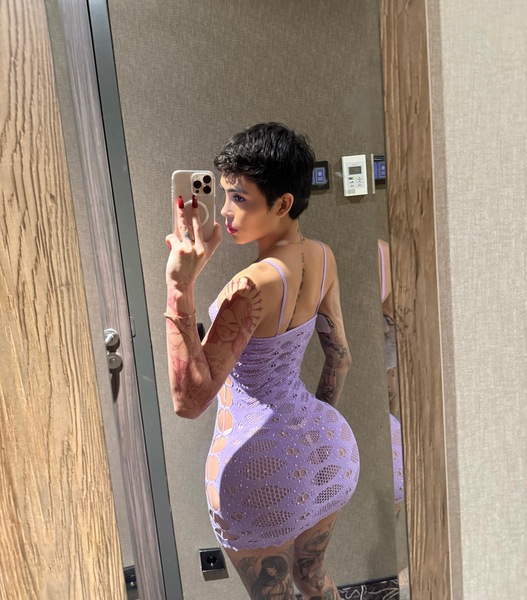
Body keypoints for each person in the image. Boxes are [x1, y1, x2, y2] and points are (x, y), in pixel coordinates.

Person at [165, 123, 360, 600]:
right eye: (224, 194)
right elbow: (340, 357)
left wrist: (179, 287)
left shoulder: (250, 285)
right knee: (314, 577)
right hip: (327, 449)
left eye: (239, 198)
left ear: (283, 203)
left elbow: (189, 401)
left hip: (257, 467)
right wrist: (311, 432)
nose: (225, 211)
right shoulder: (323, 257)